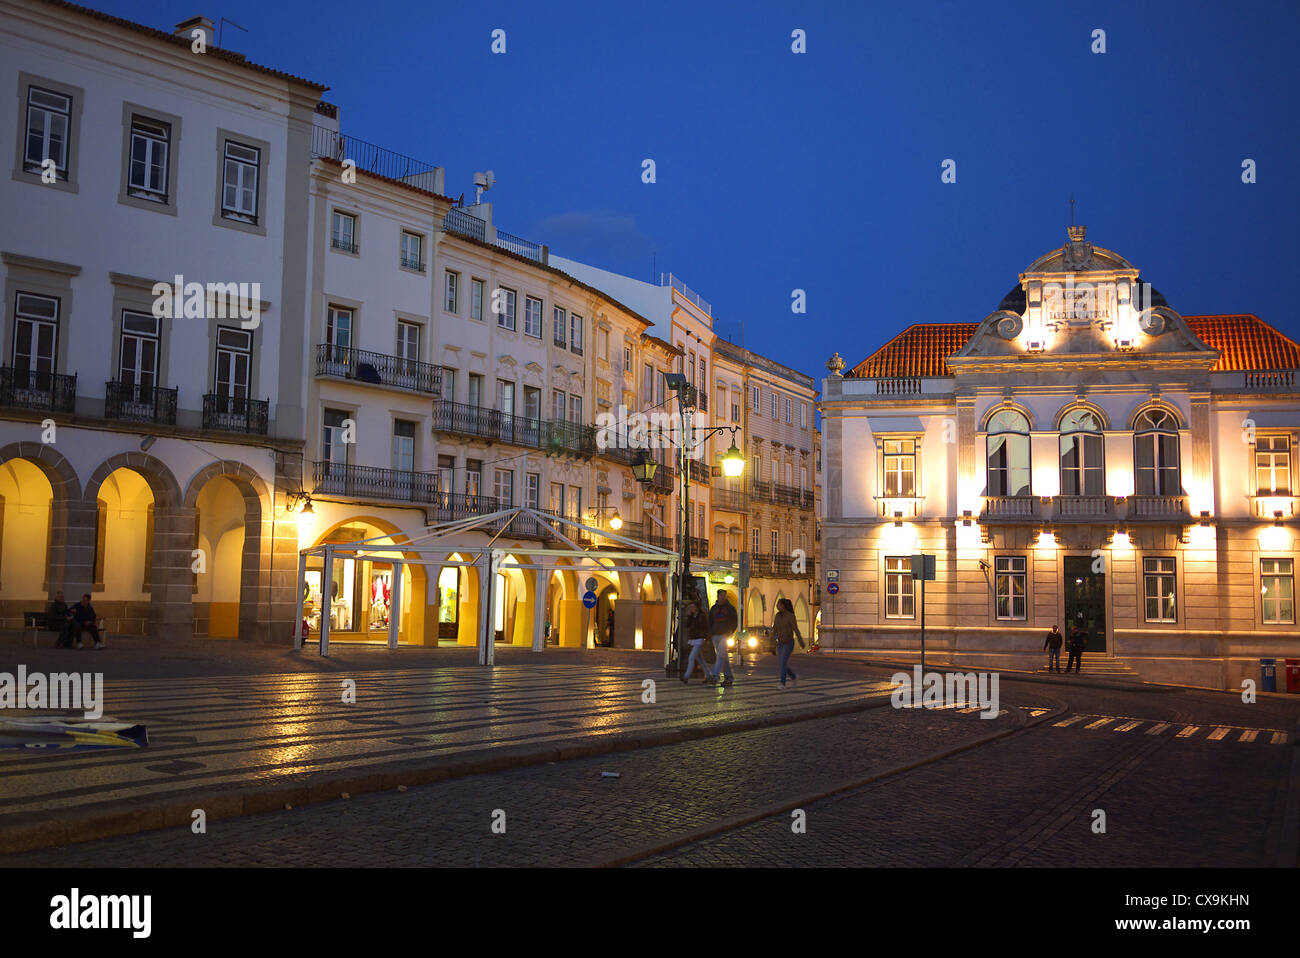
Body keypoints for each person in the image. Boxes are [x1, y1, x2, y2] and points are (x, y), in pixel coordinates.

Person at [772, 597, 806, 689]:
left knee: (782, 663)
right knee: (782, 663)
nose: (777, 606)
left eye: (778, 604)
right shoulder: (777, 616)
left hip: (788, 643)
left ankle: (782, 683)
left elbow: (796, 629)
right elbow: (774, 628)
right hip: (780, 643)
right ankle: (793, 676)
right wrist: (771, 640)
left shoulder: (790, 616)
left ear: (783, 606)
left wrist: (800, 640)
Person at [707, 592, 738, 687]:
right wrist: (710, 633)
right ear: (718, 596)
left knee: (720, 655)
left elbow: (734, 621)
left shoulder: (730, 608)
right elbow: (710, 621)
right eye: (721, 595)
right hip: (715, 635)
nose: (723, 597)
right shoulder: (713, 608)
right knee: (724, 657)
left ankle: (715, 676)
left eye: (724, 596)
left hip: (725, 634)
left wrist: (730, 632)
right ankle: (729, 677)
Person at [678, 597, 710, 683]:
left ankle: (686, 676)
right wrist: (689, 616)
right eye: (690, 607)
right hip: (694, 639)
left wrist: (705, 638)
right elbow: (688, 626)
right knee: (700, 659)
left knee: (691, 657)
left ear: (696, 607)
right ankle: (709, 675)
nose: (691, 608)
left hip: (699, 639)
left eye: (692, 607)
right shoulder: (692, 616)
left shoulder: (702, 616)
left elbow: (705, 628)